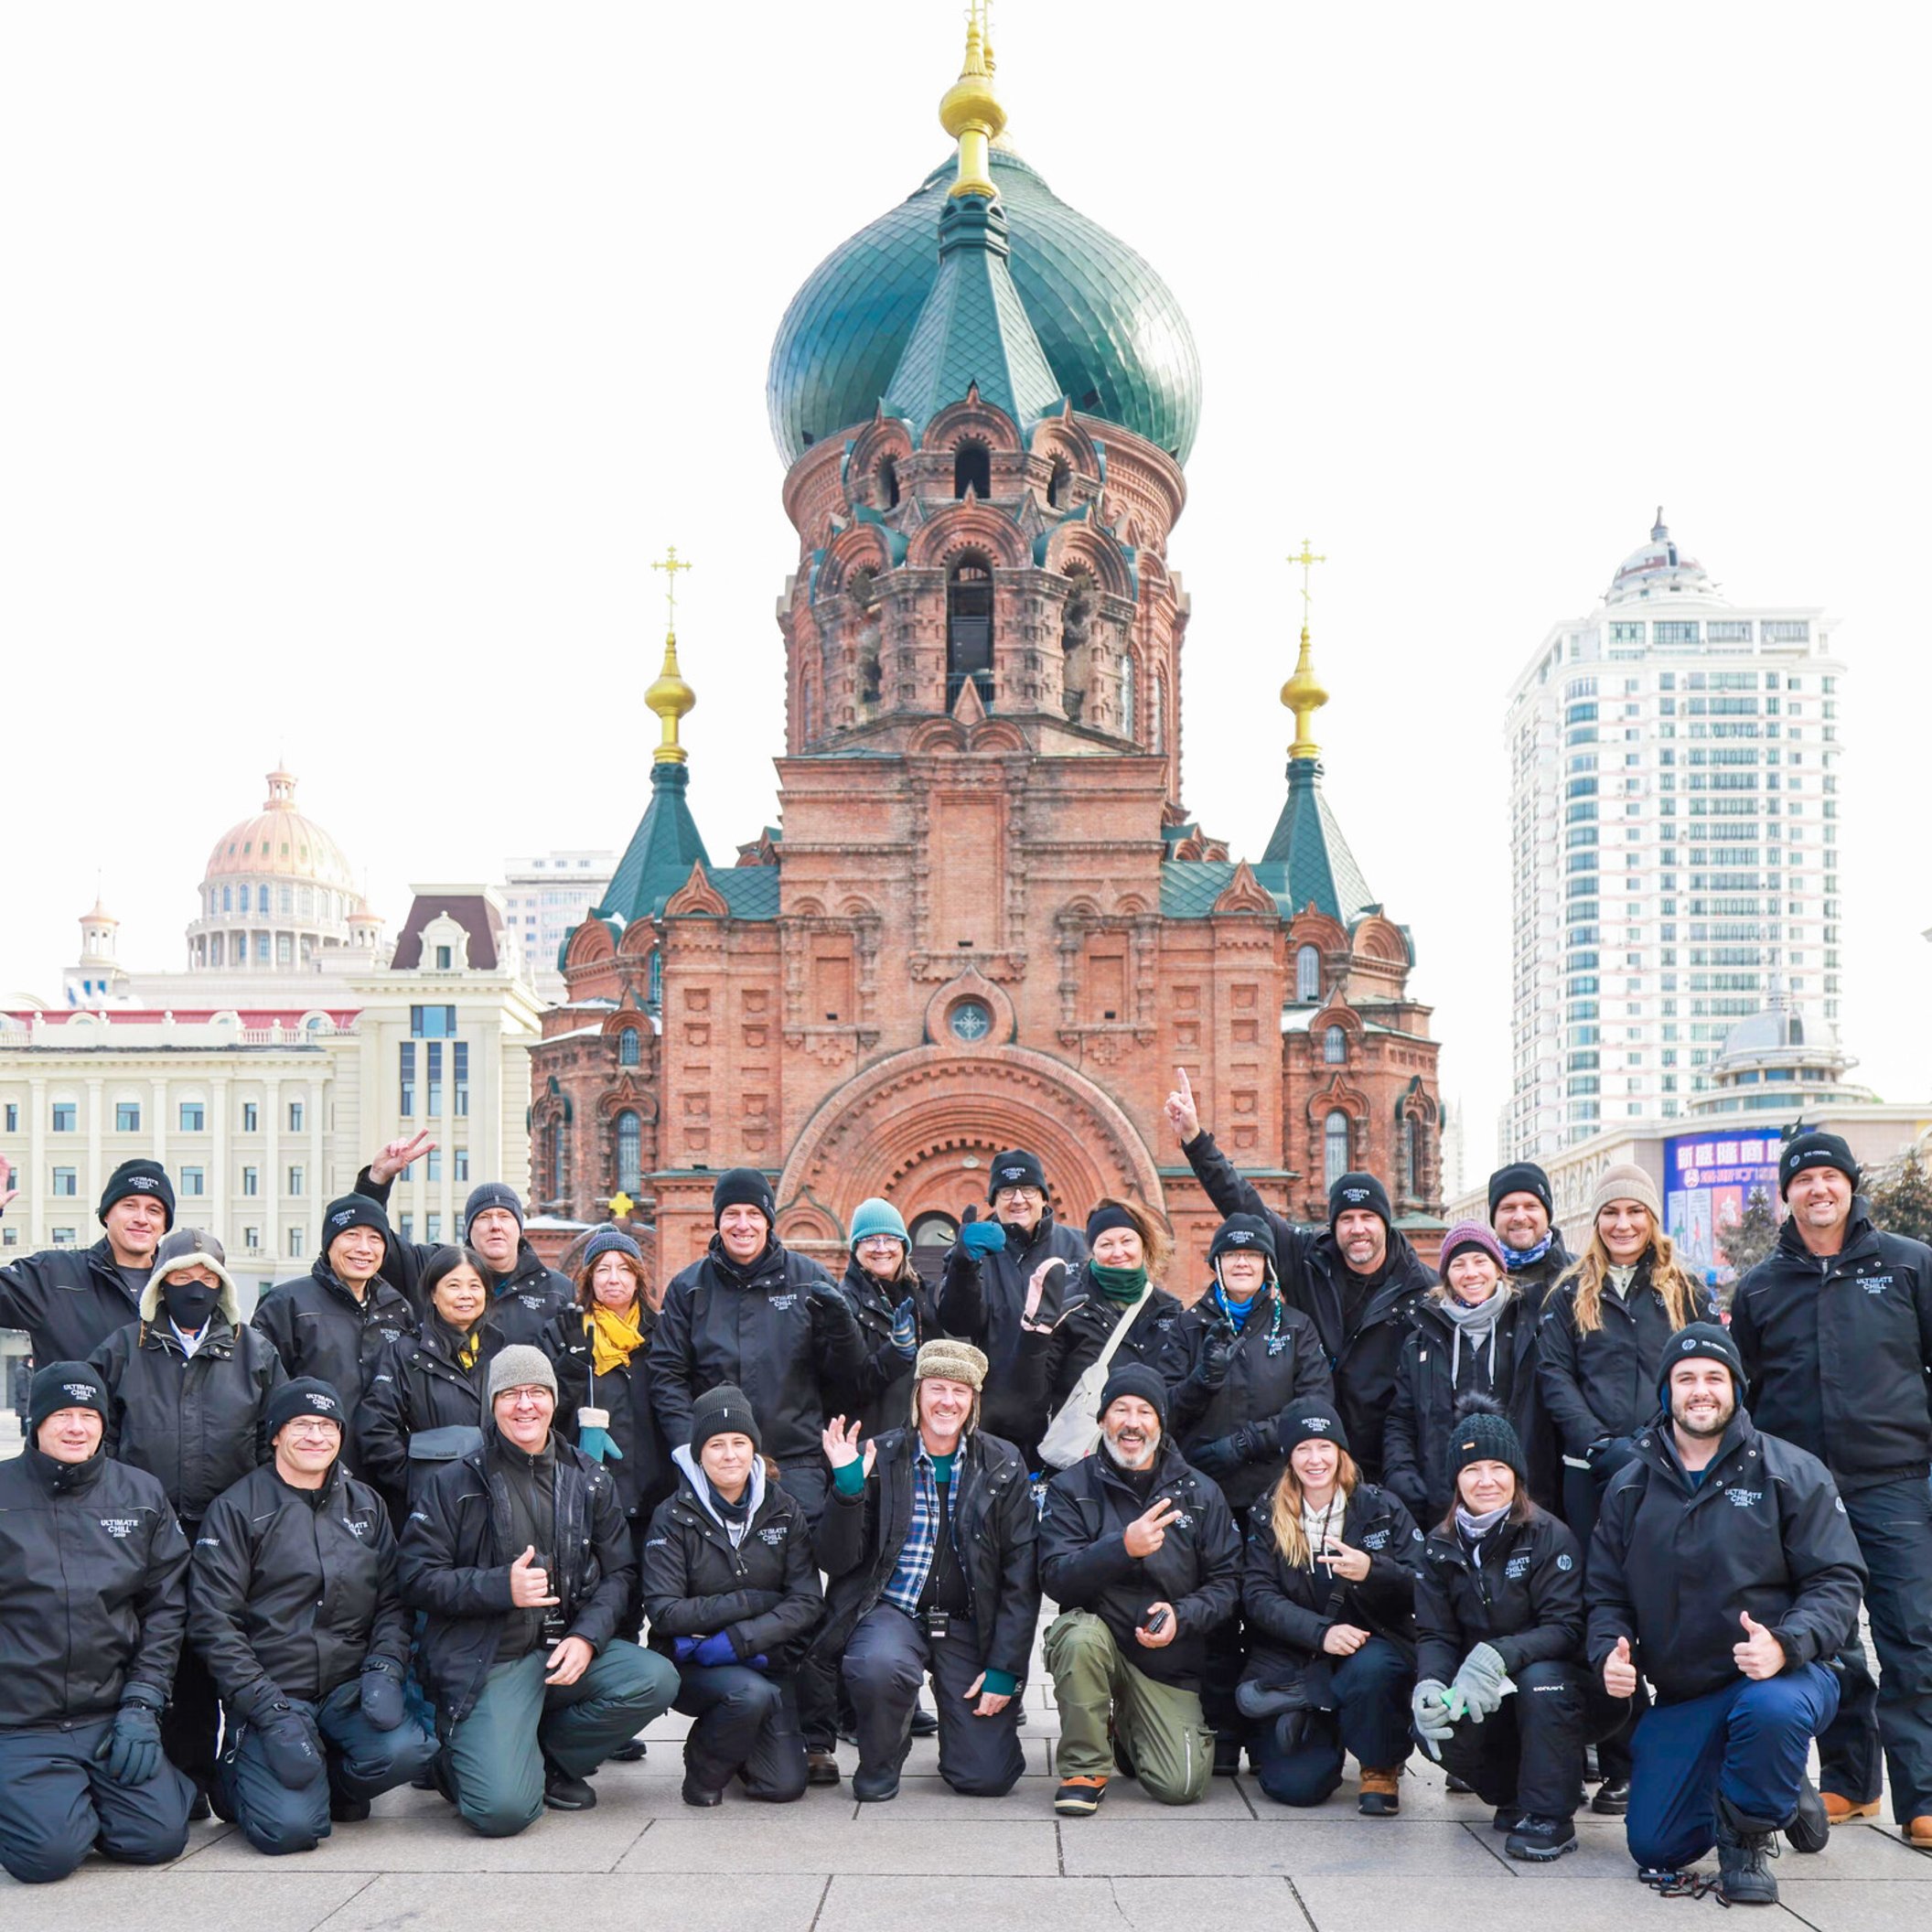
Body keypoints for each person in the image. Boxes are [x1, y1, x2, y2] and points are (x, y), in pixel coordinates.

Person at [1588, 1324, 1864, 1903]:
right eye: (1685, 1378)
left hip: (1786, 1677)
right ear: (1666, 1392)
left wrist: (1787, 1643)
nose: (1701, 1390)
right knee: (1655, 1846)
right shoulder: (1627, 1487)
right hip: (1689, 1692)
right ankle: (1778, 1783)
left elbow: (1837, 1581)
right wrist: (1608, 1651)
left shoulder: (1791, 1471)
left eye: (1715, 1377)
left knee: (1770, 1710)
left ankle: (1748, 1836)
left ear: (1736, 1388)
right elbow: (1606, 1595)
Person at [1730, 1129, 1932, 1841]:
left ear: (1851, 1186)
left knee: (1911, 1634)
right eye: (1803, 1179)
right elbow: (1744, 1393)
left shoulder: (1908, 1265)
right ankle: (1849, 1781)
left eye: (1830, 1177)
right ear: (1787, 1194)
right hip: (1804, 1491)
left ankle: (1924, 1796)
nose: (1818, 1189)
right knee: (1833, 1636)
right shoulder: (1760, 1286)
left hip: (1895, 1479)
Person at [398, 1345, 679, 1837]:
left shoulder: (589, 1479)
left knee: (654, 1678)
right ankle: (460, 1764)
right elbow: (416, 1577)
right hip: (492, 1659)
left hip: (562, 1653)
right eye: (511, 1394)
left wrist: (588, 1637)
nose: (524, 1405)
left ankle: (545, 1759)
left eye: (536, 1392)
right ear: (493, 1404)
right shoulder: (455, 1482)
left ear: (553, 1400)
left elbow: (620, 1574)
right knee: (502, 1813)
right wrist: (497, 1586)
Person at [189, 1378, 437, 1853]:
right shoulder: (238, 1508)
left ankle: (325, 1786)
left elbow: (393, 1600)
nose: (316, 1437)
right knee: (290, 1832)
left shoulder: (366, 1504)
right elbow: (214, 1622)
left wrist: (386, 1667)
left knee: (409, 1749)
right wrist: (264, 1705)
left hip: (346, 1689)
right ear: (277, 1435)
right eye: (301, 1425)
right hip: (274, 1693)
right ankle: (237, 1781)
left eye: (327, 1426)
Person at [1537, 1163, 1717, 1812]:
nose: (1622, 1224)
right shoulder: (1567, 1293)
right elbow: (1555, 1378)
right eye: (1611, 1213)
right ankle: (1619, 1759)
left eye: (1634, 1212)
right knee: (1604, 1608)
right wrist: (1599, 1446)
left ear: (1651, 1219)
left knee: (1668, 1603)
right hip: (1592, 1475)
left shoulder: (1686, 1290)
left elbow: (1705, 1372)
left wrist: (1650, 1446)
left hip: (1670, 1469)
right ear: (1595, 1221)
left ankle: (1677, 1751)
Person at [91, 1228, 285, 1809]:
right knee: (156, 1645)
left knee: (219, 1648)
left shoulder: (256, 1351)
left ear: (222, 1286)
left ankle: (224, 1770)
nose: (194, 1287)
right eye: (181, 1276)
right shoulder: (124, 1348)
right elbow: (102, 1436)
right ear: (159, 1284)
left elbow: (271, 1446)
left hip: (227, 1533)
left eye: (207, 1278)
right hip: (143, 1531)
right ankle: (168, 1777)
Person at [1164, 1069, 1433, 1482]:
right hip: (1311, 1458)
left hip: (1386, 1457)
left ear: (1386, 1224)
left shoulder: (1422, 1289)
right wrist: (1196, 1140)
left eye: (1367, 1218)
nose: (1357, 1229)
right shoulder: (1310, 1260)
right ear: (1333, 1226)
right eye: (1346, 1219)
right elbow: (1244, 1205)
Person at [815, 1339, 1040, 1802]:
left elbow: (1022, 1572)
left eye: (960, 1391)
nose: (947, 1401)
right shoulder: (880, 1455)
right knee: (878, 1666)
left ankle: (963, 1737)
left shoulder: (1003, 1462)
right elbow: (834, 1561)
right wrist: (848, 1489)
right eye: (936, 1388)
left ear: (973, 1401)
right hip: (893, 1611)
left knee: (986, 1778)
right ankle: (882, 1756)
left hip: (968, 1621)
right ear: (917, 1394)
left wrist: (1006, 1668)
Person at [0, 1360, 193, 1884]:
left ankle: (97, 1796)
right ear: (35, 1422)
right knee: (48, 1858)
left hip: (109, 1717)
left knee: (159, 1841)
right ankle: (44, 1800)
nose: (76, 1427)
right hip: (20, 1723)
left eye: (88, 1415)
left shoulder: (140, 1494)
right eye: (62, 1413)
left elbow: (166, 1609)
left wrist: (142, 1703)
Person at [1411, 1399, 1625, 1862]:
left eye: (1497, 1467)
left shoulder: (1549, 1535)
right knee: (1431, 1723)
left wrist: (1497, 1655)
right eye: (1472, 1470)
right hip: (1489, 1692)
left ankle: (1551, 1815)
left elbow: (1567, 1629)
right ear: (1456, 1479)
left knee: (1540, 1680)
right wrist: (1429, 1683)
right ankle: (1515, 1795)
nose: (1486, 1481)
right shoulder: (1438, 1546)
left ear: (1516, 1474)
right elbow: (1435, 1635)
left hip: (1570, 1691)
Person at [1161, 1213, 1332, 1773]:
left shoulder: (1296, 1328)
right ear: (1215, 1264)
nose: (1242, 1263)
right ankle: (1219, 1733)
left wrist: (1246, 1443)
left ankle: (1264, 1730)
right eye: (1231, 1255)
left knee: (1265, 1612)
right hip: (1204, 1499)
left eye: (1253, 1256)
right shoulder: (1187, 1326)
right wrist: (1199, 1382)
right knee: (1213, 1615)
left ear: (1266, 1265)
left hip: (1272, 1496)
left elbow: (1313, 1407)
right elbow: (1159, 1410)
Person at [1039, 1363, 1240, 1815]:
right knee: (1078, 1638)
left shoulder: (1201, 1493)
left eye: (1145, 1411)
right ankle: (1084, 1767)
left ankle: (1125, 1728)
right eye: (1120, 1409)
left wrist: (1182, 1615)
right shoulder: (1071, 1488)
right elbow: (1055, 1577)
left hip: (1168, 1661)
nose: (1132, 1422)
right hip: (1100, 1642)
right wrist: (1122, 1548)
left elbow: (1228, 1584)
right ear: (1102, 1420)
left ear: (1161, 1423)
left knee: (1180, 1786)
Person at [648, 1166, 866, 1524]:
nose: (742, 1225)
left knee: (798, 1572)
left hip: (797, 1463)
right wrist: (692, 1447)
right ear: (718, 1221)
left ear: (769, 1221)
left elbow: (844, 1376)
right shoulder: (689, 1288)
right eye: (731, 1214)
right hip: (717, 1467)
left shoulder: (809, 1281)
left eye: (753, 1214)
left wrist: (845, 1333)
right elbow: (667, 1375)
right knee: (718, 1573)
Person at [641, 1385, 821, 1806]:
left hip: (766, 1659)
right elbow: (664, 1612)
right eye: (716, 1445)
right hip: (693, 1662)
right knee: (748, 1696)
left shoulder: (783, 1507)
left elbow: (807, 1600)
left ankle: (741, 1745)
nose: (729, 1455)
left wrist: (743, 1638)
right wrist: (752, 1602)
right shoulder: (672, 1515)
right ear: (699, 1453)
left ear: (754, 1449)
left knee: (783, 1787)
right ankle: (703, 1768)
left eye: (739, 1443)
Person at [1240, 1402, 1420, 1814]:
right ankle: (1319, 1725)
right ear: (1289, 1455)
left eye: (1325, 1446)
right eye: (1303, 1448)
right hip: (1298, 1656)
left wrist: (1372, 1570)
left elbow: (1423, 1583)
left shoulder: (1382, 1508)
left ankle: (1380, 1764)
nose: (1315, 1459)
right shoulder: (1267, 1513)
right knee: (1295, 1787)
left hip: (1368, 1648)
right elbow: (1257, 1595)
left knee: (1377, 1669)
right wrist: (1321, 1632)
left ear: (1342, 1452)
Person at [547, 1227, 673, 1669]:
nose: (613, 1278)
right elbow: (547, 1412)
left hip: (650, 1497)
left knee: (636, 1605)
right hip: (588, 1499)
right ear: (588, 1278)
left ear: (639, 1278)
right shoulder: (567, 1332)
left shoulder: (660, 1335)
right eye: (603, 1269)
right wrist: (569, 1364)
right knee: (591, 1607)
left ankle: (623, 1713)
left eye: (624, 1269)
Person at [1006, 1198, 1186, 1476]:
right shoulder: (1072, 1306)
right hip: (1083, 1465)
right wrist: (1035, 1334)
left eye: (1127, 1240)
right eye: (1106, 1244)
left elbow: (1176, 1390)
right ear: (1093, 1251)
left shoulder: (1168, 1309)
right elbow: (1031, 1394)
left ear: (1143, 1244)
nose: (1118, 1252)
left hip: (1149, 1462)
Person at [1386, 1221, 1543, 1526]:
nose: (1471, 1273)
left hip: (1518, 1500)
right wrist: (1401, 1474)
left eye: (1480, 1261)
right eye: (1458, 1264)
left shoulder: (1530, 1328)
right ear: (1446, 1275)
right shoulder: (1422, 1337)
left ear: (1499, 1268)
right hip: (1441, 1501)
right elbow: (1400, 1418)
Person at [934, 1148, 1089, 1457]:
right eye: (1006, 1191)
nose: (1018, 1199)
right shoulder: (976, 1249)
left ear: (1044, 1197)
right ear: (993, 1201)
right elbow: (957, 1321)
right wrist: (963, 1265)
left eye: (1028, 1189)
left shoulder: (1079, 1246)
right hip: (996, 1417)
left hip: (1067, 1414)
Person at [355, 1133, 574, 1345]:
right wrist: (377, 1180)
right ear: (469, 1230)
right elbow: (374, 1244)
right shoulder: (435, 1267)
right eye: (484, 1217)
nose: (495, 1226)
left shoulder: (556, 1289)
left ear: (519, 1228)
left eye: (505, 1216)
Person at [253, 1194, 417, 1465]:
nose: (364, 1248)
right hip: (308, 1467)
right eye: (351, 1235)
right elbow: (259, 1394)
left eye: (375, 1238)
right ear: (329, 1243)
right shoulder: (287, 1303)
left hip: (384, 1472)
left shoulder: (397, 1308)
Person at [360, 1244, 507, 1521]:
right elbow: (376, 1430)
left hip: (496, 1504)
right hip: (430, 1510)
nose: (466, 1295)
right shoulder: (405, 1353)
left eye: (474, 1285)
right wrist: (420, 1482)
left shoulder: (502, 1350)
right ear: (433, 1295)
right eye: (453, 1285)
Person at [0, 1160, 174, 1363]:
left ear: (164, 1224)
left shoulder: (185, 1284)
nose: (141, 1219)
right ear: (107, 1213)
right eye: (129, 1206)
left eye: (154, 1210)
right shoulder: (53, 1275)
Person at [1484, 1162, 1571, 1511]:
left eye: (1531, 1206)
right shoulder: (1477, 1287)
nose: (1520, 1217)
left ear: (1546, 1212)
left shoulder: (1577, 1280)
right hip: (1492, 1464)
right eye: (1508, 1208)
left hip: (1562, 1458)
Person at [834, 1197, 936, 1440]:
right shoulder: (843, 1304)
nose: (881, 1248)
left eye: (890, 1238)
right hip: (869, 1441)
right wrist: (896, 1352)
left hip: (922, 1439)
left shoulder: (922, 1295)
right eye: (870, 1239)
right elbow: (846, 1386)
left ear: (903, 1246)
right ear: (856, 1248)